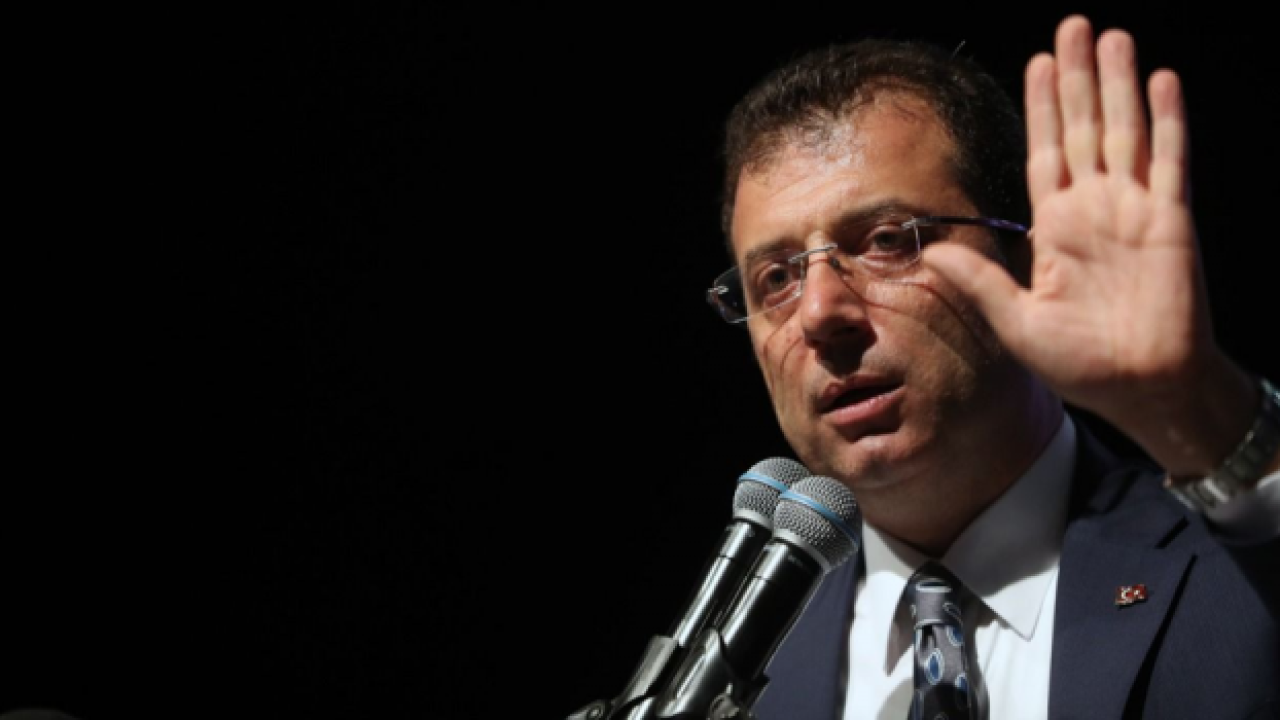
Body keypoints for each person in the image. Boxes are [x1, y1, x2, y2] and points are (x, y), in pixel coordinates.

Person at [704, 14, 1279, 719]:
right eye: (776, 279)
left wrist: (1196, 407)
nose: (820, 312)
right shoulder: (739, 678)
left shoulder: (1239, 566)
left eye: (886, 240)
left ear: (1027, 259)